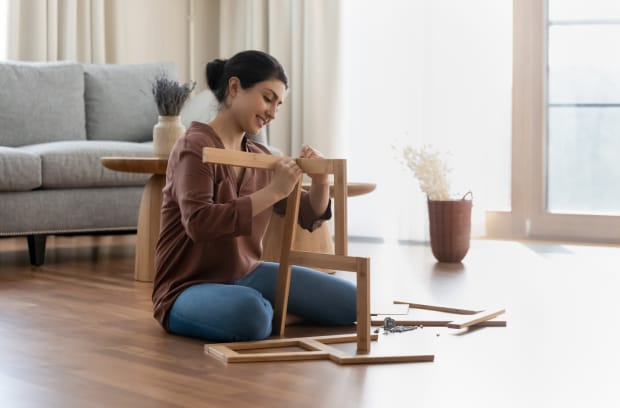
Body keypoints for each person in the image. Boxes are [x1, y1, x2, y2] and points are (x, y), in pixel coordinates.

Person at [152, 50, 357, 342]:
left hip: (247, 273)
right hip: (187, 286)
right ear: (235, 88)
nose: (273, 113)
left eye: (279, 104)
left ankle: (270, 312)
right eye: (268, 98)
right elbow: (199, 223)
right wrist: (274, 191)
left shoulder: (261, 157)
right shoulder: (194, 146)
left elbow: (308, 215)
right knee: (251, 315)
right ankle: (268, 312)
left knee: (353, 302)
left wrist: (321, 181)